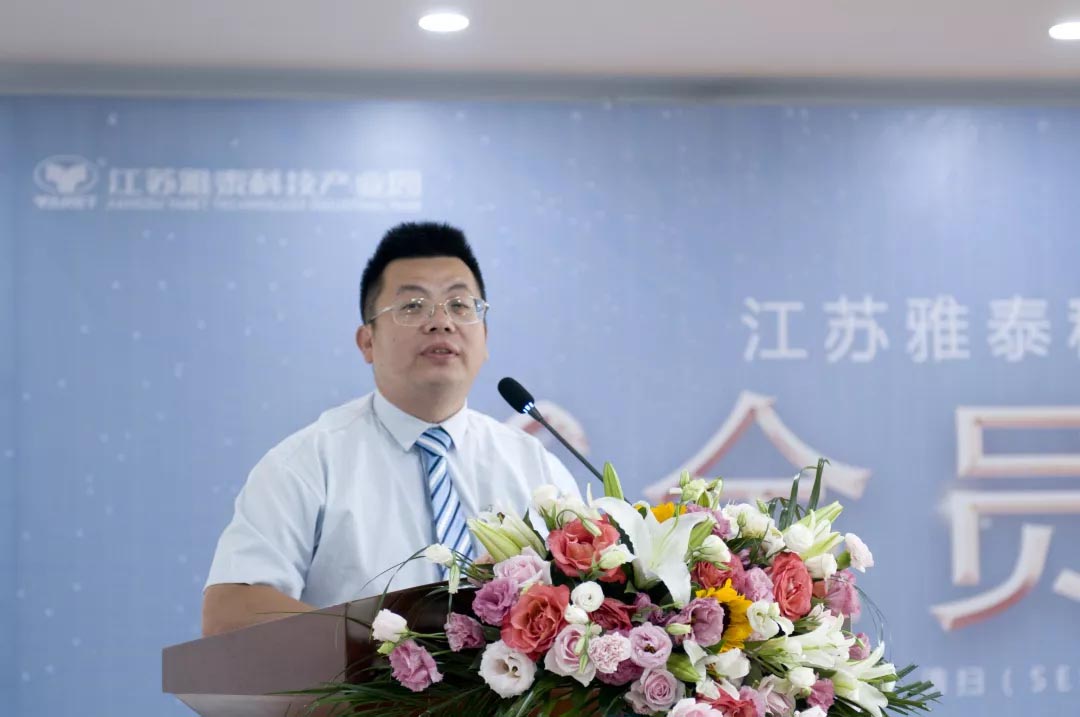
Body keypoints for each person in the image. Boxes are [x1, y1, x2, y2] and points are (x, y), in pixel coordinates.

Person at [201, 222, 580, 636]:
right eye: (413, 306)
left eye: (459, 305)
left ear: (484, 337)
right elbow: (230, 612)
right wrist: (386, 642)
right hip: (358, 681)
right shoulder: (307, 464)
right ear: (367, 341)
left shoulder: (535, 467)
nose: (441, 321)